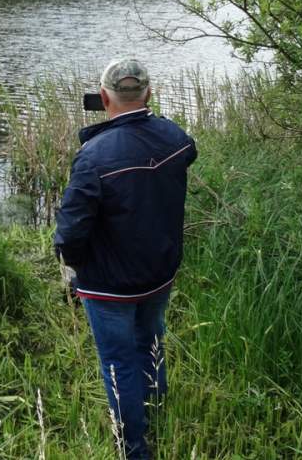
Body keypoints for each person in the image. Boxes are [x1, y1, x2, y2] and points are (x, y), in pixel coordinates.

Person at [53, 58, 197, 459]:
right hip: (159, 271)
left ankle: (134, 448)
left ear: (103, 98)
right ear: (149, 94)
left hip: (109, 286)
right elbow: (187, 153)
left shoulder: (93, 157)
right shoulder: (174, 138)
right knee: (151, 338)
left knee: (119, 363)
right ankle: (155, 407)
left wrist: (75, 268)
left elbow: (70, 233)